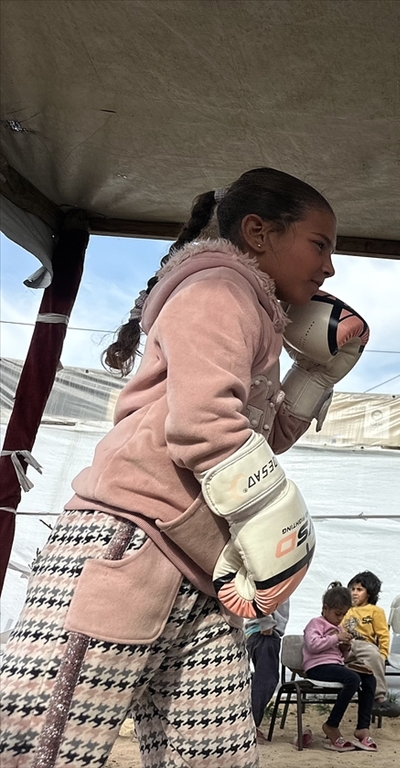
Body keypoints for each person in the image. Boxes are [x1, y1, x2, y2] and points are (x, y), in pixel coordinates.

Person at [0, 168, 368, 768]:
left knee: (216, 758)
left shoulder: (256, 313)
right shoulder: (219, 290)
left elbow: (257, 440)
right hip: (128, 538)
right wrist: (275, 525)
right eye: (320, 244)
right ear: (258, 233)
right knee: (44, 750)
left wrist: (315, 377)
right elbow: (202, 425)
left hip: (202, 566)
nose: (329, 267)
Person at [304, 581, 378, 752]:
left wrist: (345, 648)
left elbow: (339, 656)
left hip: (335, 665)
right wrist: (336, 639)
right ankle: (331, 725)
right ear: (325, 608)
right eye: (337, 614)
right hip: (317, 667)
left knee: (369, 679)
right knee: (352, 678)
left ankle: (362, 728)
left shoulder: (338, 627)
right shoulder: (316, 623)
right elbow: (313, 645)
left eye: (343, 615)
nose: (340, 618)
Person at [343, 571, 400, 718]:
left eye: (359, 590)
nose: (354, 593)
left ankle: (379, 699)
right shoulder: (344, 609)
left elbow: (383, 635)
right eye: (353, 589)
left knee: (372, 654)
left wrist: (382, 654)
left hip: (365, 646)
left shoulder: (375, 611)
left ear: (369, 593)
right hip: (345, 645)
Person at [245, 598, 290, 743]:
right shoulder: (277, 574)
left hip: (262, 631)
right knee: (266, 681)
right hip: (264, 632)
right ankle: (250, 726)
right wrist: (266, 622)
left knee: (261, 679)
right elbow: (262, 593)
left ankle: (249, 724)